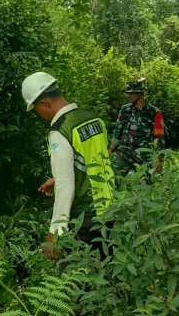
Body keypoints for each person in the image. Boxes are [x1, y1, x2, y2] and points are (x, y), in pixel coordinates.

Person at [21, 72, 114, 261]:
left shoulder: (60, 131)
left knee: (77, 283)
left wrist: (55, 232)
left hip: (86, 219)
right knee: (110, 278)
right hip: (111, 211)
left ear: (45, 104)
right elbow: (93, 160)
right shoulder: (92, 119)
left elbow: (66, 185)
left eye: (36, 109)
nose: (39, 115)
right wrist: (56, 178)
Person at [108, 78, 165, 177]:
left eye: (131, 93)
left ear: (140, 93)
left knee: (145, 184)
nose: (129, 96)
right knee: (114, 178)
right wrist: (111, 149)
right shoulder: (125, 109)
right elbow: (118, 129)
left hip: (144, 155)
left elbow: (159, 136)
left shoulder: (154, 112)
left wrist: (159, 159)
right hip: (124, 152)